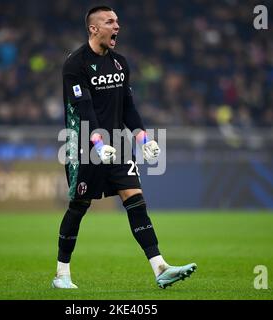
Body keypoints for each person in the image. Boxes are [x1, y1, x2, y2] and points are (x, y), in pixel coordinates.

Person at [52, 5, 197, 289]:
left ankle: (160, 268)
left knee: (136, 201)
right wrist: (96, 143)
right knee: (79, 207)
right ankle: (62, 274)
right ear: (94, 28)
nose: (117, 26)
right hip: (82, 146)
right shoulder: (75, 64)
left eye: (117, 21)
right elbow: (83, 109)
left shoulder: (120, 64)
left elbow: (128, 108)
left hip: (117, 146)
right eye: (110, 21)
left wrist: (144, 139)